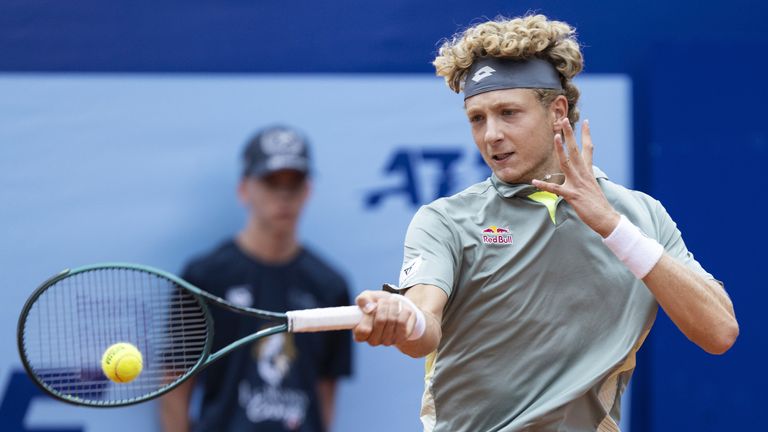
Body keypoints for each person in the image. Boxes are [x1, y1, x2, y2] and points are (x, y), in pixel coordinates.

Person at [352, 14, 738, 431]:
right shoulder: (444, 221)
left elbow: (718, 332)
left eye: (508, 113)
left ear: (557, 112)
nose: (491, 135)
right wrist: (403, 317)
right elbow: (424, 328)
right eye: (477, 118)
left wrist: (611, 225)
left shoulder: (640, 216)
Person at [160, 125, 353, 432]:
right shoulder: (204, 277)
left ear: (308, 191)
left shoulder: (329, 286)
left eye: (294, 183)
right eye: (271, 182)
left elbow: (325, 390)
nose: (284, 196)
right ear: (244, 189)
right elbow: (175, 381)